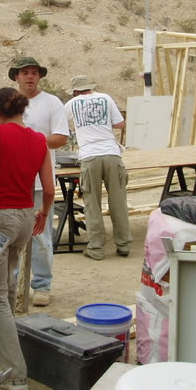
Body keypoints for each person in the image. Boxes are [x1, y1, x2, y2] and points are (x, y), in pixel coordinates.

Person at [0, 87, 54, 390]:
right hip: (25, 216)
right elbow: (49, 189)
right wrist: (43, 213)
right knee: (9, 283)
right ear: (22, 109)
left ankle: (15, 375)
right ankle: (1, 340)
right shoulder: (39, 139)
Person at [0, 56, 68, 307]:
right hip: (11, 182)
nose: (30, 77)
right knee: (10, 237)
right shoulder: (6, 102)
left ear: (40, 76)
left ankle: (42, 286)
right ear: (16, 77)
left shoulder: (52, 103)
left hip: (39, 182)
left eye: (34, 72)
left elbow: (61, 137)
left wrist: (30, 140)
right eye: (25, 73)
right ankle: (10, 287)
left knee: (40, 237)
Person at [64, 75, 132, 260]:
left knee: (92, 204)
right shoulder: (106, 98)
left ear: (75, 91)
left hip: (89, 155)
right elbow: (121, 124)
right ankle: (124, 244)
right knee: (118, 201)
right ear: (91, 87)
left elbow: (60, 126)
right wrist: (102, 123)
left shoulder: (71, 104)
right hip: (111, 153)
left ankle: (96, 248)